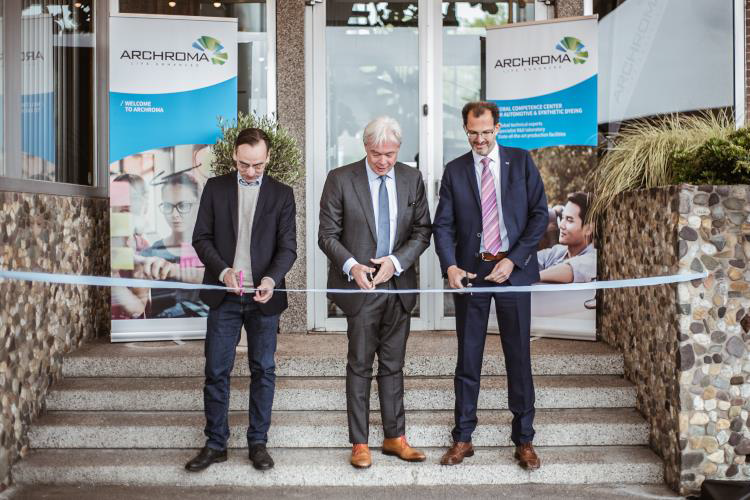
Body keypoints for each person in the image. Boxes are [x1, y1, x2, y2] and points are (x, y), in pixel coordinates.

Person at [433, 101, 548, 470]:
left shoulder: (521, 161)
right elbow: (444, 225)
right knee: (468, 359)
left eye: (485, 132)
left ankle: (525, 440)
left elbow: (539, 216)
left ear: (497, 127)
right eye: (472, 132)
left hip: (512, 272)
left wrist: (513, 260)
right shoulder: (455, 170)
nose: (479, 139)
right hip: (472, 274)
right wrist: (450, 266)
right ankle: (463, 438)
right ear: (465, 129)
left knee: (519, 358)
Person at [318, 116, 431, 469]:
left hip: (398, 286)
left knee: (394, 366)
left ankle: (395, 437)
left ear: (398, 149)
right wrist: (352, 266)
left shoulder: (412, 179)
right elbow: (327, 235)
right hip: (362, 287)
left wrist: (396, 262)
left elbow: (422, 231)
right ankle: (360, 442)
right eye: (376, 153)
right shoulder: (340, 179)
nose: (383, 161)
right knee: (360, 365)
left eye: (390, 153)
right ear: (365, 147)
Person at [186, 128, 297, 472]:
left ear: (267, 159)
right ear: (234, 157)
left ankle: (258, 443)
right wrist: (223, 272)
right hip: (225, 296)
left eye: (258, 165)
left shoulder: (282, 194)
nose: (250, 171)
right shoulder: (216, 189)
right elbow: (201, 238)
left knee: (263, 369)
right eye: (244, 164)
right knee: (217, 369)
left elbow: (288, 248)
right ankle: (216, 443)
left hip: (264, 297)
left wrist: (269, 279)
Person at [139, 173, 207, 317]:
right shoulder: (150, 255)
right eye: (168, 206)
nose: (174, 214)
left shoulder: (213, 251)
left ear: (199, 205)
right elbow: (139, 309)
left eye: (183, 205)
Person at [110, 173, 150, 319]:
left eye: (133, 198)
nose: (127, 203)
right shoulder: (100, 240)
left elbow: (137, 309)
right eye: (120, 197)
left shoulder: (142, 247)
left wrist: (112, 275)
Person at [538, 192, 596, 283]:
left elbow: (571, 269)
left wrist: (533, 276)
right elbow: (528, 261)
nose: (561, 225)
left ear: (588, 229)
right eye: (562, 218)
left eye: (569, 220)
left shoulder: (593, 258)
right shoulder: (557, 252)